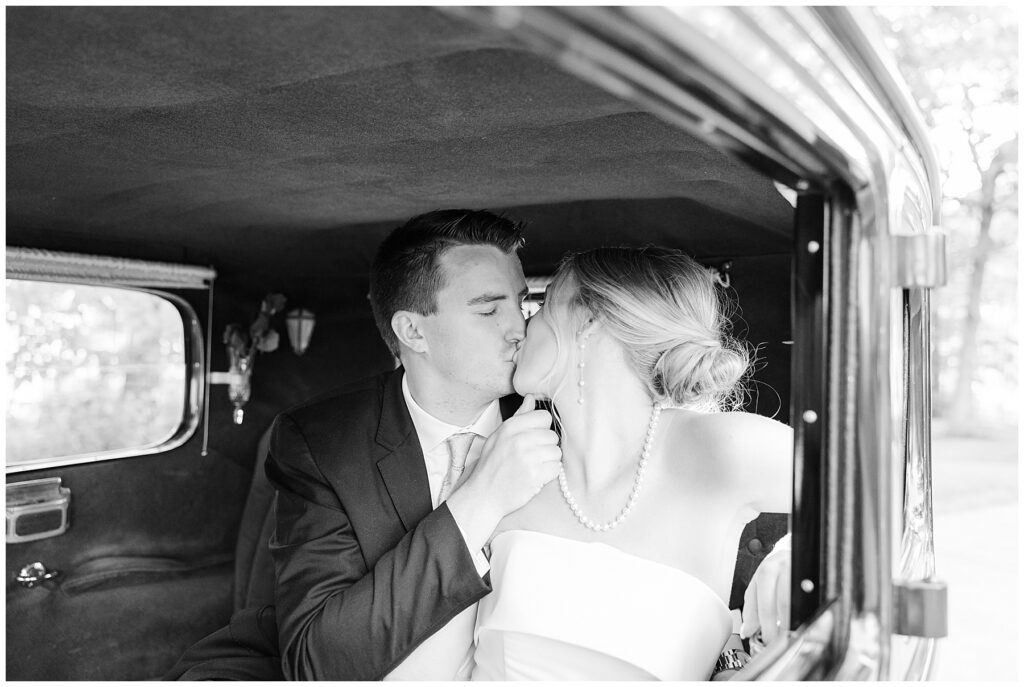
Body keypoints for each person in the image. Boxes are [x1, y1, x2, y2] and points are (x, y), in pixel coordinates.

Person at [458, 246, 793, 680]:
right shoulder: (500, 470)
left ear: (589, 320)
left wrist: (791, 561)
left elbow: (882, 500)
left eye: (539, 308)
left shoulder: (722, 448)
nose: (522, 328)